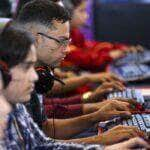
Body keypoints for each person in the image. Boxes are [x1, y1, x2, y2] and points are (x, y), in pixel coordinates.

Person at [0, 23, 149, 150]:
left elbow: (42, 145)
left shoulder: (16, 106)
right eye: (61, 41)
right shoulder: (13, 101)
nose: (67, 49)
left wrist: (103, 141)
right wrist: (100, 138)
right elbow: (48, 125)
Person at [62, 0, 144, 72]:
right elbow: (85, 59)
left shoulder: (75, 33)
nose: (87, 16)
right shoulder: (62, 40)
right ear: (67, 12)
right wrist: (110, 55)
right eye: (82, 11)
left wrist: (119, 48)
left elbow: (91, 47)